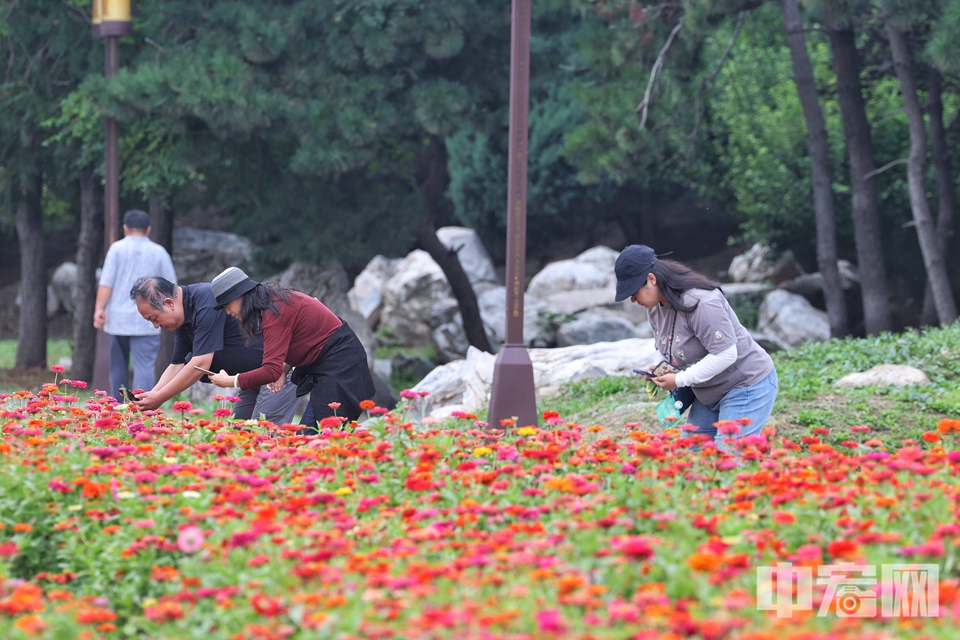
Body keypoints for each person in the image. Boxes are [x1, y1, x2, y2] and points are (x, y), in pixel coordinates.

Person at [615, 244, 778, 445]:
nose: (632, 300)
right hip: (707, 391)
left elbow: (726, 354)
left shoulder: (702, 302)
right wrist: (659, 367)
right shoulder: (655, 306)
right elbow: (662, 345)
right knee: (695, 458)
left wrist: (680, 380)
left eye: (633, 292)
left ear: (651, 279)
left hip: (745, 385)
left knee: (730, 460)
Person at [207, 267, 375, 432]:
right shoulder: (272, 303)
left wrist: (230, 380)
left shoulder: (274, 311)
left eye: (227, 304)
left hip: (342, 366)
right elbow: (298, 339)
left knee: (316, 439)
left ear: (241, 295)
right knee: (315, 438)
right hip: (333, 365)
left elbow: (269, 371)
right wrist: (284, 369)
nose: (228, 312)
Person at [128, 276, 298, 424]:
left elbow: (201, 362)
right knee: (239, 435)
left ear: (169, 303)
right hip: (251, 377)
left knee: (266, 435)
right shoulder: (182, 319)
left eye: (154, 318)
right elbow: (176, 365)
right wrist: (150, 396)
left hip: (278, 370)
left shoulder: (206, 301)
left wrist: (160, 398)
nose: (156, 326)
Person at [94, 209, 177, 399]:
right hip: (148, 320)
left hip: (117, 319)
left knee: (117, 367)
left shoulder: (116, 249)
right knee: (145, 367)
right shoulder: (159, 252)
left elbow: (106, 282)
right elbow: (172, 287)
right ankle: (141, 406)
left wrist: (99, 308)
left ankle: (118, 407)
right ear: (148, 229)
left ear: (125, 228)